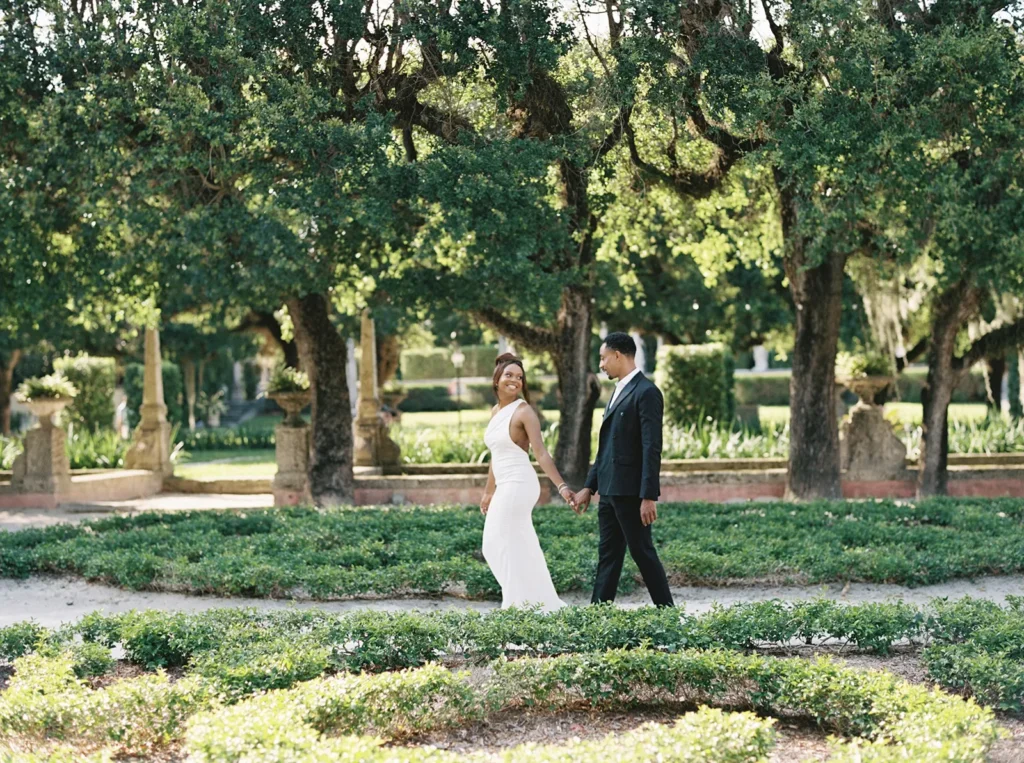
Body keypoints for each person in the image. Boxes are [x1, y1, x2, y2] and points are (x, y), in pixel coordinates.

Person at [574, 332, 674, 607]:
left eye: (604, 358)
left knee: (643, 552)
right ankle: (597, 616)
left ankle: (668, 615)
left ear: (618, 355)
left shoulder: (647, 392)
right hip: (607, 490)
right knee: (608, 555)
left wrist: (648, 495)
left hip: (631, 492)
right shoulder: (617, 390)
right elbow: (605, 448)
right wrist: (589, 487)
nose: (602, 364)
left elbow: (651, 447)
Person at [480, 353, 577, 612]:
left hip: (520, 484)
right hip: (505, 485)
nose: (515, 380)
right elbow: (495, 456)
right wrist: (489, 492)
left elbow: (541, 454)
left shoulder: (524, 411)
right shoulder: (496, 411)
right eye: (509, 375)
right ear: (497, 379)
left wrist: (562, 486)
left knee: (495, 543)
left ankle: (514, 606)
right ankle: (538, 604)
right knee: (512, 545)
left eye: (520, 377)